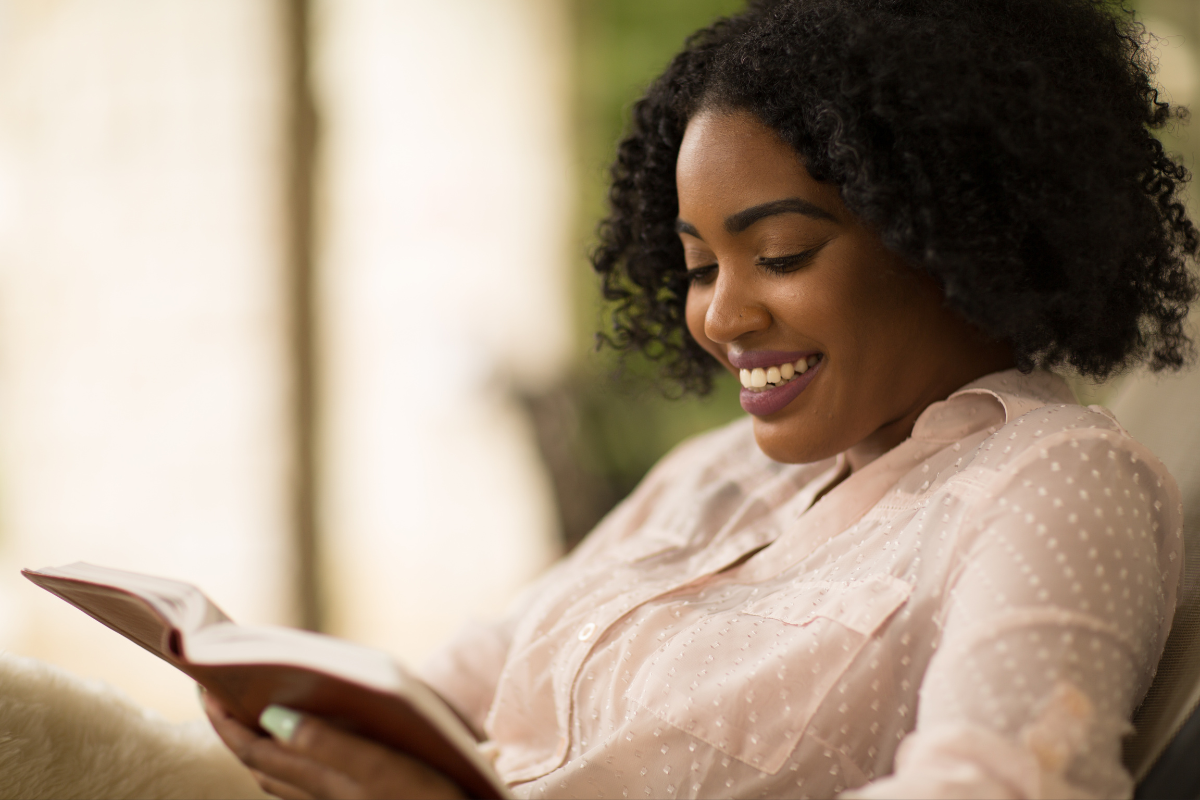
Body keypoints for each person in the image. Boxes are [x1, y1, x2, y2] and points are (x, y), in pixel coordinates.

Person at [205, 0, 1198, 797]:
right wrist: (294, 710)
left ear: (957, 238)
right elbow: (458, 683)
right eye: (695, 265)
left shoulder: (1056, 477)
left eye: (780, 255)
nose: (720, 316)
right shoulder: (710, 474)